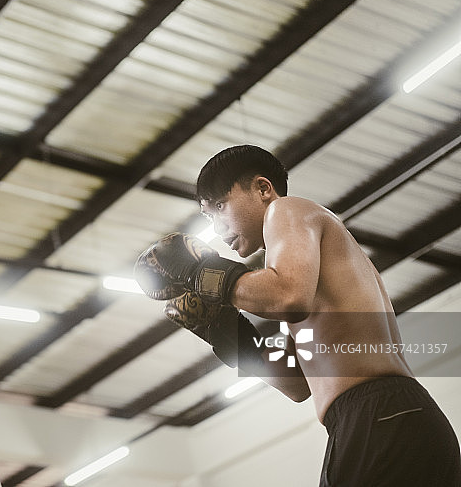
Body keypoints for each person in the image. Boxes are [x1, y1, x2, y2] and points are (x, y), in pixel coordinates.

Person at [134, 144, 460, 486]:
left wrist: (202, 274)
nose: (216, 227)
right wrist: (223, 330)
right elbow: (296, 383)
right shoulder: (303, 274)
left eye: (218, 207)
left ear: (263, 189)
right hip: (375, 419)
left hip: (381, 416)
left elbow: (289, 296)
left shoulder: (287, 211)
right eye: (207, 217)